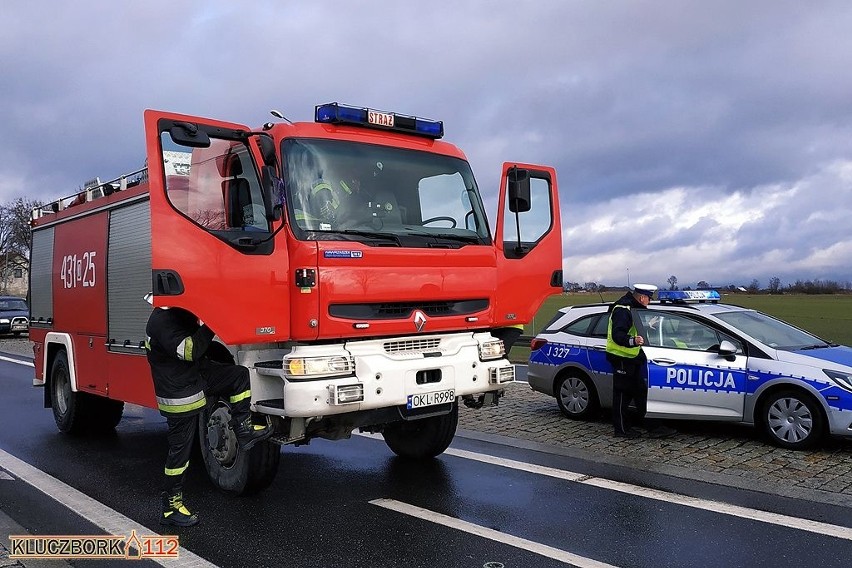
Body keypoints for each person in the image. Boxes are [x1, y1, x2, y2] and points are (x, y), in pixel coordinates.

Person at [144, 300, 272, 526]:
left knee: (238, 376)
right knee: (179, 456)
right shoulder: (161, 321)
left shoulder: (175, 314)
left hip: (194, 378)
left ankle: (243, 429)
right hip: (179, 396)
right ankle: (170, 506)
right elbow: (190, 351)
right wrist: (213, 321)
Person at [605, 284, 676, 439]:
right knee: (622, 396)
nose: (649, 302)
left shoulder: (633, 309)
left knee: (640, 393)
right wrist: (633, 341)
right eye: (649, 299)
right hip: (622, 358)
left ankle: (653, 427)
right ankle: (622, 430)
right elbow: (618, 335)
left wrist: (648, 327)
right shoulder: (623, 310)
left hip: (632, 358)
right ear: (642, 297)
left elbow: (635, 328)